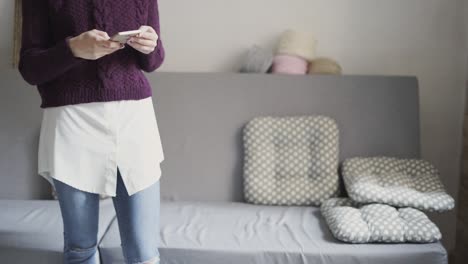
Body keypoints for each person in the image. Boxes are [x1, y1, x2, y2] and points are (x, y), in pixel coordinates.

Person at [18, 1, 166, 263]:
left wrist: (151, 46)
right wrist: (73, 49)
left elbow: (153, 62)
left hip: (133, 119)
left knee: (143, 251)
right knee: (80, 248)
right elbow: (30, 68)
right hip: (72, 119)